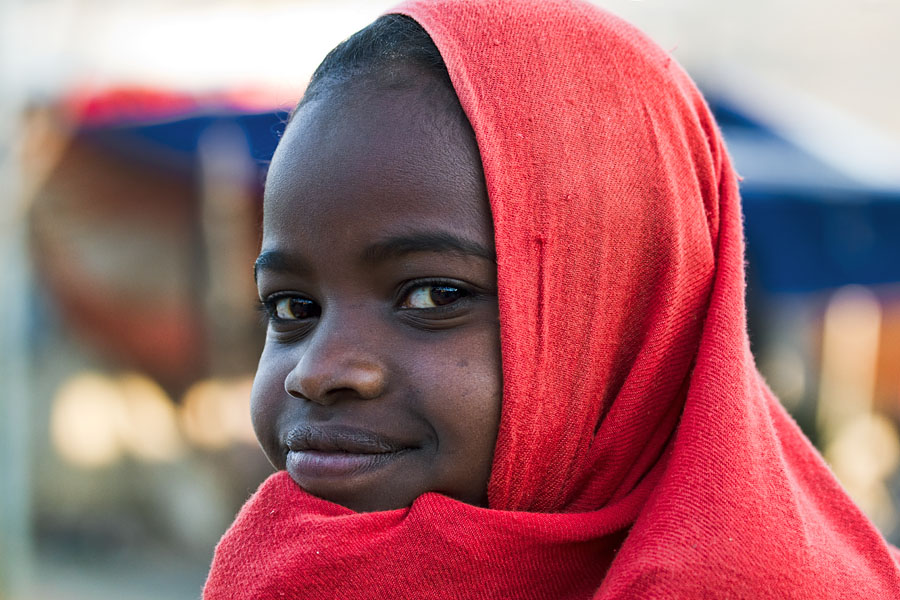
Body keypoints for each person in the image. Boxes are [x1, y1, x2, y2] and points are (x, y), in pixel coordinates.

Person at [203, 0, 900, 597]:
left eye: (433, 295)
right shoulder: (294, 567)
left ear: (629, 324)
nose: (317, 372)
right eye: (292, 307)